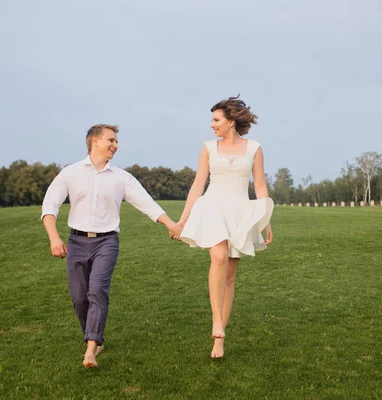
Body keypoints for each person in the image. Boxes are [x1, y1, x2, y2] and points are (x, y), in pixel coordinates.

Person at [41, 124, 182, 368]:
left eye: (116, 141)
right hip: (76, 241)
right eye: (111, 140)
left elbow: (146, 203)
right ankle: (93, 335)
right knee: (78, 298)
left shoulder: (122, 177)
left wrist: (170, 224)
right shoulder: (70, 173)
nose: (115, 145)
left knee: (97, 290)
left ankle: (91, 348)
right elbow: (50, 206)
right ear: (94, 141)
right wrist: (54, 238)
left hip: (107, 242)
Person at [177, 96, 274, 358]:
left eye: (216, 120)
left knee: (230, 275)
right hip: (213, 208)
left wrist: (265, 220)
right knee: (218, 257)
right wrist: (184, 218)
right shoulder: (208, 148)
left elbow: (260, 185)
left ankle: (220, 339)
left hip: (241, 211)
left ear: (231, 122)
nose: (212, 125)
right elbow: (198, 184)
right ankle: (216, 320)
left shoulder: (254, 148)